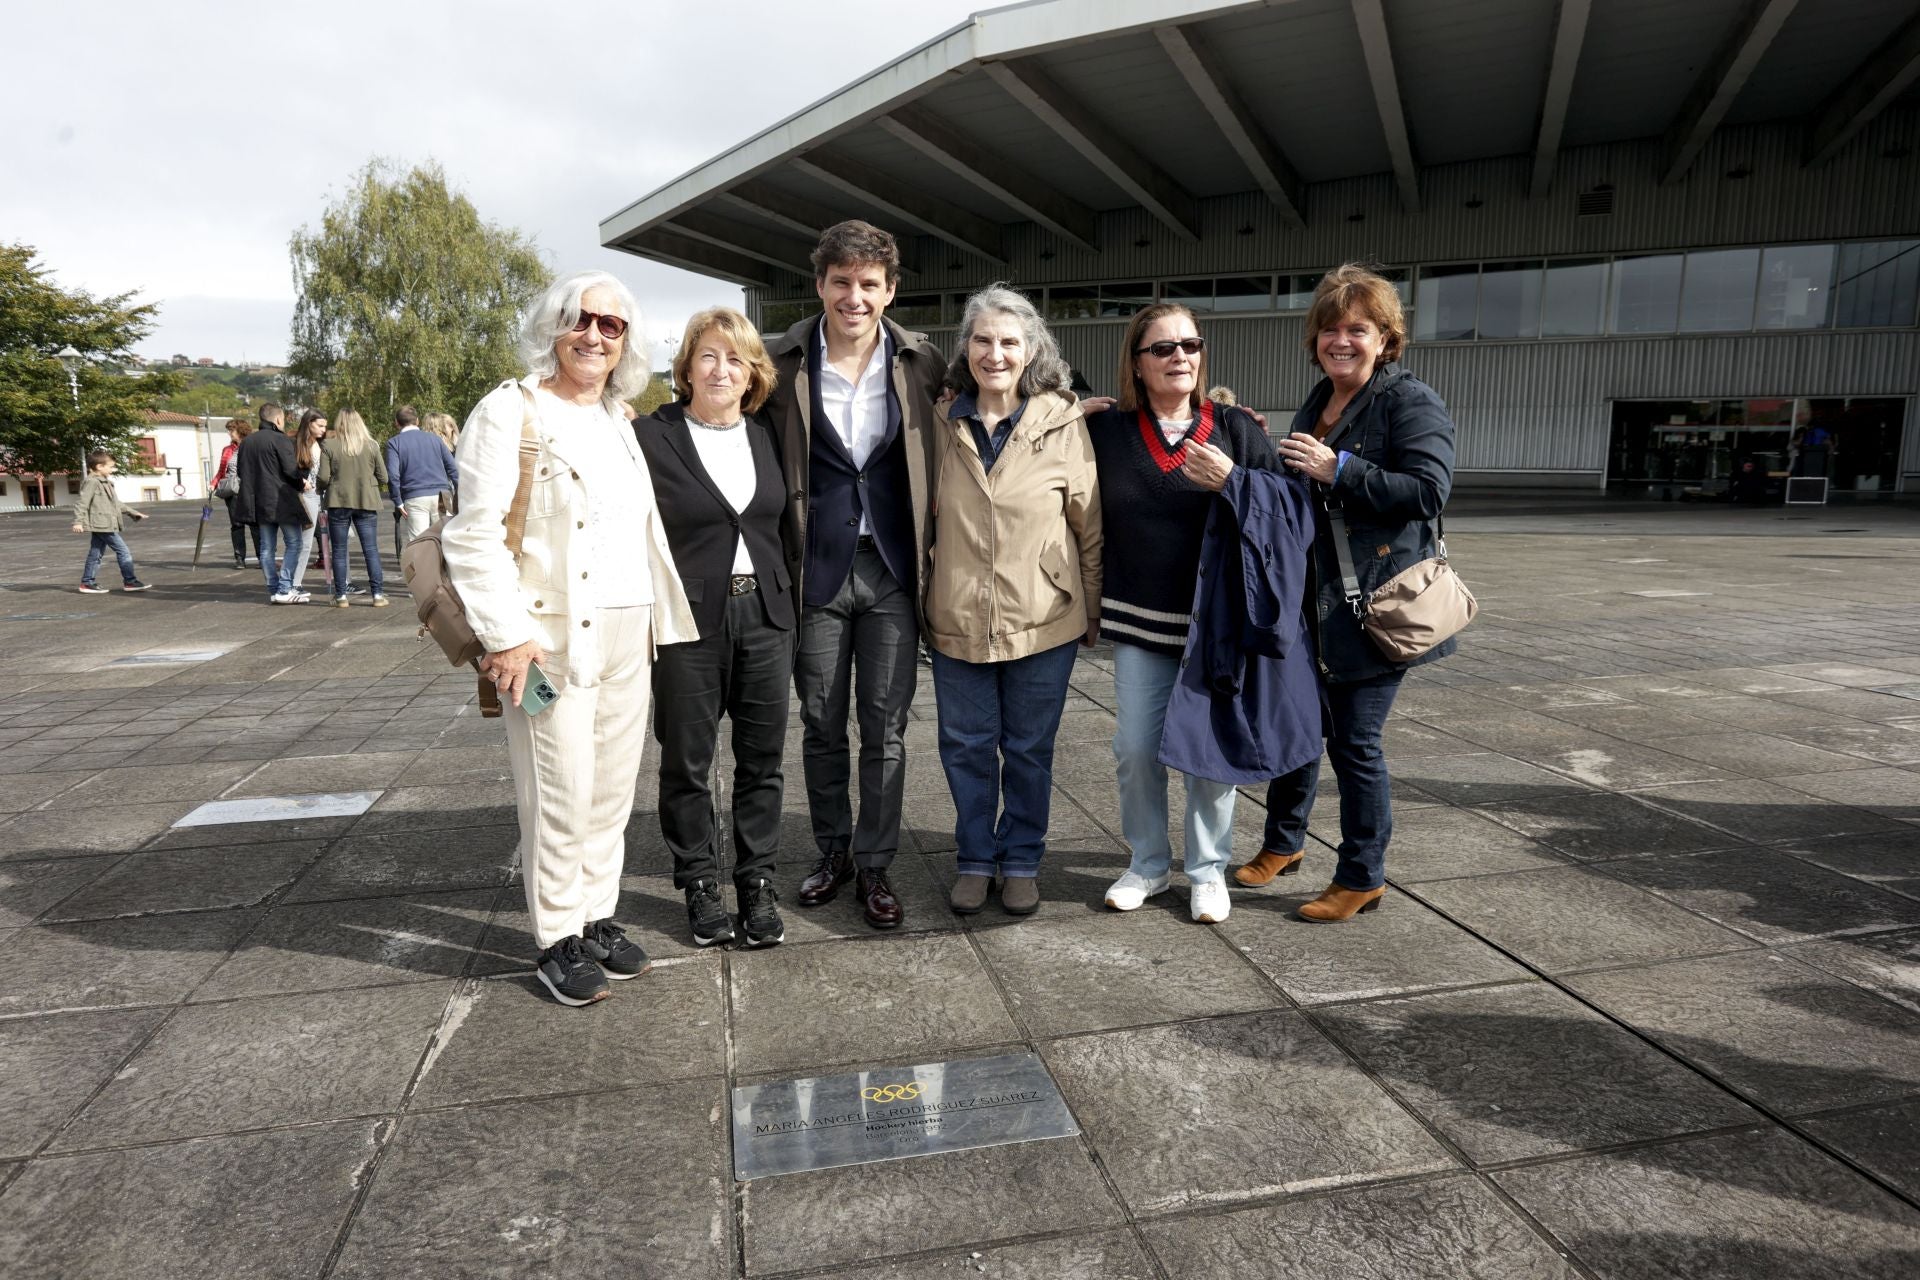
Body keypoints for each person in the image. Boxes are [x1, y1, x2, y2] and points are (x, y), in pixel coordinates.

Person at [441, 270, 696, 1008]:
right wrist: (506, 636)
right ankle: (557, 937)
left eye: (609, 326)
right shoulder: (511, 410)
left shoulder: (620, 417)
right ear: (554, 326)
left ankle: (597, 917)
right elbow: (474, 533)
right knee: (559, 790)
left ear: (625, 342)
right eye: (579, 320)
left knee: (613, 790)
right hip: (548, 638)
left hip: (628, 627)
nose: (593, 335)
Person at [1233, 263, 1458, 922]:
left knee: (1355, 743)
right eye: (1330, 328)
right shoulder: (1319, 398)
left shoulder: (1407, 400)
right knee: (1298, 726)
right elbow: (1299, 488)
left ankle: (1362, 875)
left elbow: (1428, 490)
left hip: (1375, 607)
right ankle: (1284, 844)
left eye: (1357, 329)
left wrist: (1344, 468)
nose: (1341, 340)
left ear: (1385, 338)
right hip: (1313, 602)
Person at [764, 220, 944, 930]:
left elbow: (994, 398)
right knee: (819, 723)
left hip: (893, 568)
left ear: (890, 290)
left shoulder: (921, 362)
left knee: (886, 726)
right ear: (820, 285)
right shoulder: (780, 364)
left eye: (870, 284)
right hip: (814, 569)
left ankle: (875, 864)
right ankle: (833, 851)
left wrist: (1074, 407)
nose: (855, 297)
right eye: (842, 282)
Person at [1085, 303, 1279, 923]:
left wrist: (1236, 483)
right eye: (1163, 349)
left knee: (1206, 752)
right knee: (1136, 748)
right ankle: (1146, 863)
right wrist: (1064, 411)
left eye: (1190, 346)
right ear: (1136, 364)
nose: (1180, 358)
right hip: (1139, 619)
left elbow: (1286, 508)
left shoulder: (1236, 429)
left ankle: (1207, 870)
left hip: (1214, 624)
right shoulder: (1107, 431)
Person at [925, 285, 1100, 916]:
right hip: (957, 615)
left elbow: (1088, 521)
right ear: (965, 348)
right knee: (966, 746)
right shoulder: (939, 421)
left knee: (1029, 748)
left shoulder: (1062, 421)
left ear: (1030, 351)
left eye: (1008, 341)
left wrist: (1094, 606)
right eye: (981, 340)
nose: (993, 353)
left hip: (1044, 617)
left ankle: (1021, 858)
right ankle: (975, 858)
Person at [637, 307, 797, 949]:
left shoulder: (770, 435)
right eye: (708, 355)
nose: (721, 369)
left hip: (765, 615)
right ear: (686, 367)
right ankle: (700, 882)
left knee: (763, 763)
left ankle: (757, 882)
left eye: (735, 358)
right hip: (685, 620)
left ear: (754, 372)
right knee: (688, 762)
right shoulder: (652, 436)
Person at [233, 402, 307, 604]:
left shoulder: (247, 442)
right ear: (278, 419)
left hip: (258, 501)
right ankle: (285, 588)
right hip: (282, 501)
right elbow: (291, 471)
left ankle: (274, 589)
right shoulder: (280, 440)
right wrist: (302, 482)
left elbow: (241, 472)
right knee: (294, 543)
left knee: (267, 548)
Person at [316, 409, 391, 608]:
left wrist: (321, 488)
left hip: (338, 501)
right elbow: (384, 477)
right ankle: (377, 595)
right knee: (371, 550)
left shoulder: (329, 445)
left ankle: (341, 596)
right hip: (366, 501)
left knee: (339, 551)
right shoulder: (372, 445)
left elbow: (323, 477)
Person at [72, 449, 149, 593]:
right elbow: (82, 502)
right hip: (102, 524)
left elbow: (116, 503)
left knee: (96, 554)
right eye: (111, 466)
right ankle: (130, 581)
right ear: (99, 466)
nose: (113, 469)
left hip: (105, 523)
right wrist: (78, 522)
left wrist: (134, 513)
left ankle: (87, 583)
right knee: (123, 552)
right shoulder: (92, 482)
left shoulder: (106, 483)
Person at [385, 404, 457, 547]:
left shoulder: (394, 443)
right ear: (417, 421)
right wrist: (459, 493)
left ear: (397, 423)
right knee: (445, 540)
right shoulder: (435, 439)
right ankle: (445, 569)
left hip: (415, 495)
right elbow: (452, 468)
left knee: (420, 544)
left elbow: (393, 475)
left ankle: (424, 569)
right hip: (442, 494)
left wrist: (398, 501)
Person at [286, 409, 329, 601]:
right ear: (309, 424)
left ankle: (293, 582)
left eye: (325, 426)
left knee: (312, 541)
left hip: (321, 496)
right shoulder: (297, 445)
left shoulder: (320, 444)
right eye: (319, 425)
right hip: (307, 496)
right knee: (305, 542)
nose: (323, 429)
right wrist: (302, 482)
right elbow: (290, 470)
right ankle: (294, 583)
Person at [212, 418, 252, 568]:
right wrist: (214, 483)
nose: (229, 433)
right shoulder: (227, 450)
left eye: (231, 430)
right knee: (236, 524)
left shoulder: (251, 446)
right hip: (232, 490)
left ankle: (262, 556)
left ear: (240, 431)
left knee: (255, 524)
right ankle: (239, 558)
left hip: (249, 489)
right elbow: (222, 470)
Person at [422, 412, 462, 517]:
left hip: (441, 484)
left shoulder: (455, 442)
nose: (443, 430)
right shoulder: (441, 441)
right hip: (443, 483)